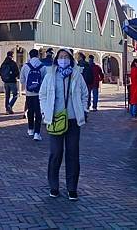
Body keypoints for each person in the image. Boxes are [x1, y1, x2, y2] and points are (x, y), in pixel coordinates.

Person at [39, 48, 89, 201]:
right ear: (56, 60)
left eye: (66, 57)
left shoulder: (77, 76)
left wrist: (83, 109)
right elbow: (43, 94)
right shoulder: (50, 76)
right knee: (56, 153)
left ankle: (72, 188)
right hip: (55, 118)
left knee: (73, 154)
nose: (63, 59)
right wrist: (45, 111)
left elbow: (84, 94)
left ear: (71, 60)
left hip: (73, 120)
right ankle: (54, 186)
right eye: (60, 57)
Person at [20, 48, 47, 141]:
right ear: (38, 56)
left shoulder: (25, 66)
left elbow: (22, 80)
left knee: (30, 111)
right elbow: (45, 80)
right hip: (39, 94)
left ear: (29, 56)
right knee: (38, 113)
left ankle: (30, 129)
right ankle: (37, 133)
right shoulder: (43, 67)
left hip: (29, 93)